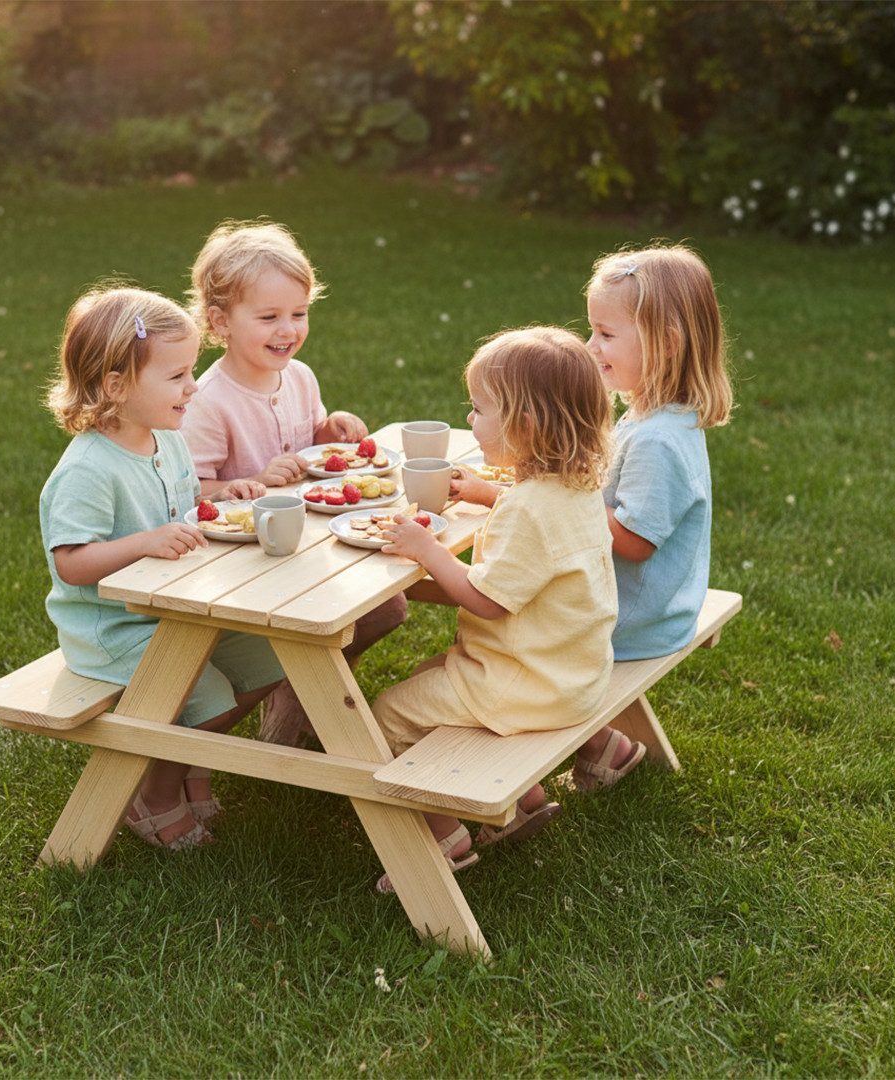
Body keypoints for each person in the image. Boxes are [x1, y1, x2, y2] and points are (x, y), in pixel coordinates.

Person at [371, 326, 617, 892]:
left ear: (524, 425)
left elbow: (486, 600)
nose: (470, 419)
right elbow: (534, 523)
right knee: (427, 674)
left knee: (383, 716)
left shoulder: (528, 511)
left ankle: (442, 836)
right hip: (573, 673)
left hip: (524, 684)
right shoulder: (575, 488)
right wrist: (489, 492)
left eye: (479, 409)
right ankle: (522, 803)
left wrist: (427, 550)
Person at [40, 285, 283, 851]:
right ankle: (154, 794)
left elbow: (187, 501)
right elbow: (71, 563)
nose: (193, 386)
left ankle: (190, 764)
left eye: (190, 371)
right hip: (114, 629)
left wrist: (223, 499)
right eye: (177, 376)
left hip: (175, 611)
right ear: (116, 386)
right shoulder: (88, 470)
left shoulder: (166, 441)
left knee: (271, 660)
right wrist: (143, 543)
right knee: (207, 695)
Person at [181, 219, 407, 745]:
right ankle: (293, 702)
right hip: (244, 562)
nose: (288, 330)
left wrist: (332, 431)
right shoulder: (210, 401)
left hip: (307, 542)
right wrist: (252, 480)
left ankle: (299, 695)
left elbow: (312, 444)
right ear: (220, 322)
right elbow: (191, 490)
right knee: (344, 617)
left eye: (298, 314)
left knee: (387, 608)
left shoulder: (299, 377)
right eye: (269, 317)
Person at [574, 243, 733, 790]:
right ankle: (604, 745)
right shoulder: (655, 416)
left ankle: (515, 775)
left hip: (636, 621)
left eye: (605, 333)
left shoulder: (658, 440)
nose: (591, 346)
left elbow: (635, 542)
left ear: (665, 344)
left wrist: (567, 500)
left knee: (508, 617)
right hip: (656, 605)